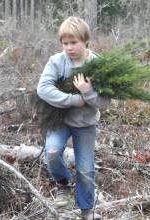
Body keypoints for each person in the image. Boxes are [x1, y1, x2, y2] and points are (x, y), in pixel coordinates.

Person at [37, 16, 109, 220]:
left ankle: (86, 210)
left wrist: (88, 92)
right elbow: (43, 89)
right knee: (51, 152)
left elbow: (104, 103)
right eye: (65, 43)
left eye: (73, 42)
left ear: (85, 40)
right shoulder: (57, 61)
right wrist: (73, 100)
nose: (69, 48)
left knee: (85, 170)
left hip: (85, 124)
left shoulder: (97, 64)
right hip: (59, 120)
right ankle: (63, 183)